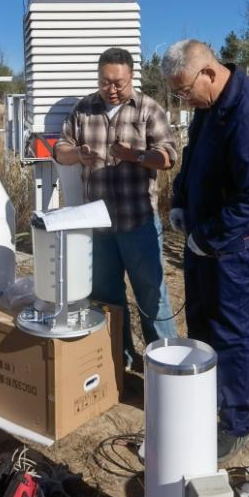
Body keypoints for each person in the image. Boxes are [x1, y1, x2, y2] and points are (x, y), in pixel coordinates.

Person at [162, 39, 249, 462]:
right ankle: (205, 396)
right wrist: (180, 199)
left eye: (183, 90)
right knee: (201, 319)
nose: (182, 100)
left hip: (233, 246)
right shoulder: (207, 108)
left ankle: (235, 423)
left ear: (208, 73)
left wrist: (210, 234)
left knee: (233, 332)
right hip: (203, 238)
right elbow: (194, 160)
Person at [53, 47, 180, 370]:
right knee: (106, 296)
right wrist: (76, 154)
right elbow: (60, 149)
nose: (111, 89)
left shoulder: (148, 109)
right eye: (105, 82)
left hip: (138, 222)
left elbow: (168, 157)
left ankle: (165, 364)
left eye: (118, 83)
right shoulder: (84, 109)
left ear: (131, 77)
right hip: (98, 224)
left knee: (152, 295)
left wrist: (135, 156)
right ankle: (118, 362)